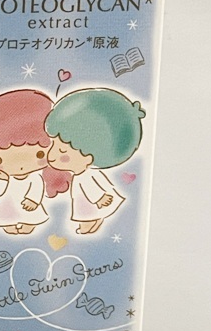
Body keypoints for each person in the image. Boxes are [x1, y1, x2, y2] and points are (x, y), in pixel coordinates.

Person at [0, 89, 70, 235]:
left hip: (28, 206)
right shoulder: (3, 176)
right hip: (8, 205)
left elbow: (37, 189)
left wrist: (33, 200)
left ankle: (27, 225)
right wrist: (2, 179)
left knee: (29, 222)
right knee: (8, 222)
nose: (21, 164)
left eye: (39, 154)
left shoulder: (35, 177)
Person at [45, 87, 144, 234]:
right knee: (88, 213)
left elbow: (91, 187)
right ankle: (92, 223)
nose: (51, 156)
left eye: (62, 151)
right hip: (91, 201)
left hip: (92, 202)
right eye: (53, 144)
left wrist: (99, 198)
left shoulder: (85, 176)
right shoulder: (83, 174)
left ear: (88, 156)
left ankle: (88, 225)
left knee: (87, 214)